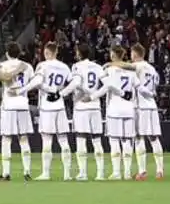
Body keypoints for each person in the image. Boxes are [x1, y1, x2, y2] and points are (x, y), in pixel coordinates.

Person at [12, 42, 73, 181]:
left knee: (47, 140)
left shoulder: (42, 65)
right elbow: (74, 82)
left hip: (47, 107)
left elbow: (37, 82)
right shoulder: (64, 67)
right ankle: (67, 174)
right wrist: (61, 92)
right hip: (60, 106)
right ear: (56, 52)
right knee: (63, 140)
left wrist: (21, 91)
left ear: (46, 53)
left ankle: (46, 173)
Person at [112, 44, 165, 179]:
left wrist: (110, 64)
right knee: (154, 138)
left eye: (131, 53)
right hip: (152, 105)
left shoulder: (138, 66)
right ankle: (160, 170)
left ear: (135, 54)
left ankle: (142, 171)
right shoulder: (153, 69)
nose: (130, 56)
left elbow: (127, 67)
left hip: (140, 106)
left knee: (138, 138)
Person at [87, 46, 139, 180]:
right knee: (127, 141)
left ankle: (116, 172)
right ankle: (127, 172)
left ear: (113, 55)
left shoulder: (108, 70)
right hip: (129, 109)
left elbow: (107, 87)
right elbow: (138, 86)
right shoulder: (131, 72)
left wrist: (92, 97)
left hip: (114, 109)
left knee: (114, 140)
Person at [60, 44, 105, 180]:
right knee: (97, 141)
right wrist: (94, 96)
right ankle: (101, 173)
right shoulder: (98, 67)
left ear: (79, 53)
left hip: (81, 107)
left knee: (81, 140)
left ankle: (83, 173)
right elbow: (107, 85)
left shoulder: (76, 66)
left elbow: (76, 83)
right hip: (95, 107)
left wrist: (61, 93)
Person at [0, 42, 35, 180]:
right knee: (23, 138)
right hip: (23, 104)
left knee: (6, 138)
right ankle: (27, 171)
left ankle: (6, 173)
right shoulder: (28, 66)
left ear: (7, 53)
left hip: (9, 105)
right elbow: (33, 83)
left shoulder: (2, 65)